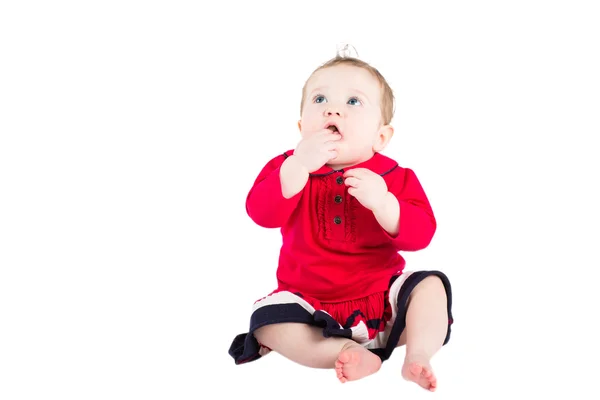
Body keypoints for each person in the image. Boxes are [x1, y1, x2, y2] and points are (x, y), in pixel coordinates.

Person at [228, 45, 454, 392]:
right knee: (267, 321)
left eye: (353, 102)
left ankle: (418, 355)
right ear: (303, 126)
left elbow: (421, 234)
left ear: (381, 136)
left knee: (430, 286)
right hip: (309, 308)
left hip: (383, 304)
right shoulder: (288, 167)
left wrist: (385, 205)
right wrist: (297, 168)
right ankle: (346, 351)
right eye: (320, 100)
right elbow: (260, 213)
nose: (333, 108)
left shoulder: (395, 177)